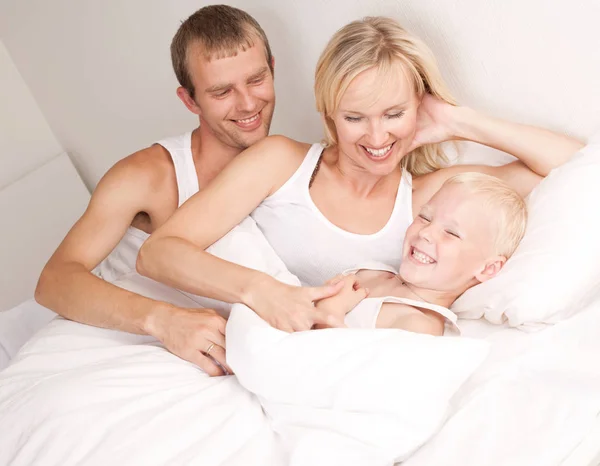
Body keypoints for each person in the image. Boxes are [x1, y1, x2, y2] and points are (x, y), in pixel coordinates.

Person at [136, 15, 583, 335]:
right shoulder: (281, 163)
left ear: (418, 106)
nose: (376, 137)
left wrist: (457, 120)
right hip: (236, 326)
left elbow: (577, 163)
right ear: (329, 114)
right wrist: (263, 291)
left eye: (394, 113)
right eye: (355, 118)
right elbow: (158, 254)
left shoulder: (428, 203)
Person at [33, 5, 341, 377]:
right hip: (111, 343)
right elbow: (54, 281)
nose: (247, 104)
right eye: (222, 91)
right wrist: (164, 321)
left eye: (257, 79)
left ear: (272, 68)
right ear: (189, 100)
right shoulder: (150, 175)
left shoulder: (292, 165)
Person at [315, 172, 527, 336]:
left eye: (451, 233)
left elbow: (338, 375)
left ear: (488, 268)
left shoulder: (417, 326)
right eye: (425, 217)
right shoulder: (371, 272)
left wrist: (330, 311)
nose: (425, 232)